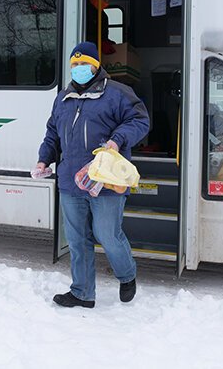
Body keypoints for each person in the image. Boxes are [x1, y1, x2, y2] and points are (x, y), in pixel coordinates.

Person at [33, 42, 150, 308]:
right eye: (74, 65)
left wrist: (117, 140)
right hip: (70, 181)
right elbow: (53, 133)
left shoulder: (118, 93)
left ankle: (127, 274)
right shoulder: (63, 98)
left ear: (96, 65)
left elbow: (140, 120)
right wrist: (44, 159)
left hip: (105, 179)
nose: (78, 69)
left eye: (83, 64)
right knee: (76, 239)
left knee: (107, 234)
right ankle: (82, 293)